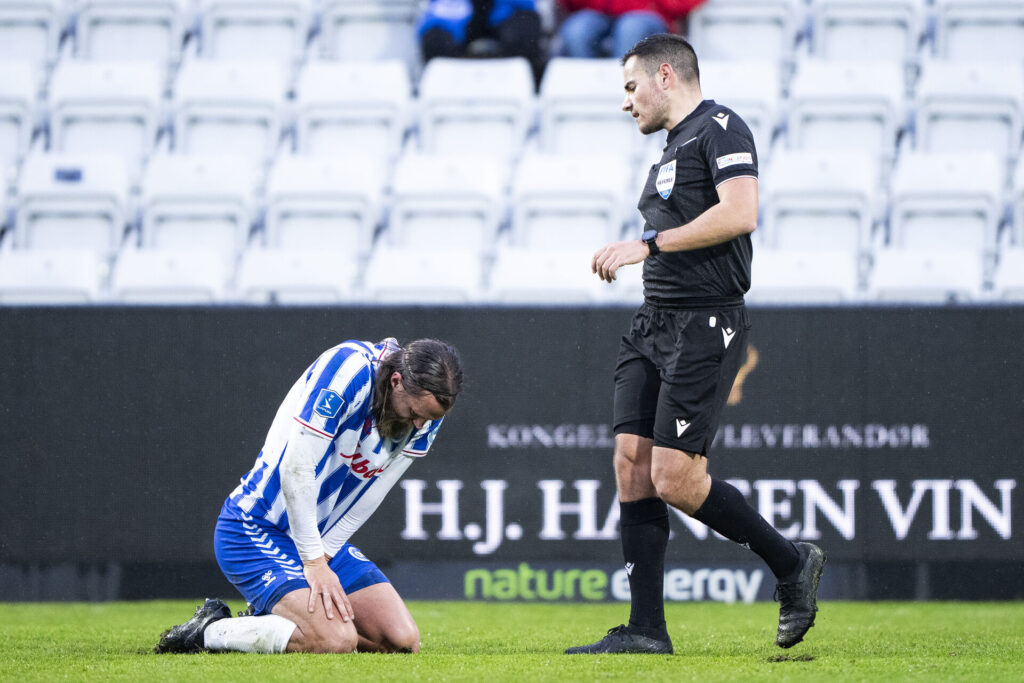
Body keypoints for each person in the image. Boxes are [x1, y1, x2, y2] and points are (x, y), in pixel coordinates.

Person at [565, 34, 825, 655]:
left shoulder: (721, 128)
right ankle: (646, 630)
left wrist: (646, 246)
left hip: (707, 322)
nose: (626, 103)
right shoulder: (671, 146)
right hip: (654, 321)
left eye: (630, 88)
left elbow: (741, 213)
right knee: (630, 464)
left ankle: (791, 563)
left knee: (676, 479)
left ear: (663, 75)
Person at [155, 337, 464, 655]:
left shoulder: (425, 414)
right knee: (334, 641)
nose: (419, 424)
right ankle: (208, 631)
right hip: (256, 527)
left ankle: (273, 621)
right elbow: (296, 468)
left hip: (319, 539)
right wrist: (313, 563)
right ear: (397, 381)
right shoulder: (349, 370)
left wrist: (324, 555)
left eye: (429, 418)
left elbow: (373, 492)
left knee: (401, 641)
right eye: (415, 412)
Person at [418, 0, 546, 83]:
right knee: (436, 42)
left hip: (510, 6)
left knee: (522, 39)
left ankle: (518, 93)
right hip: (457, 6)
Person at [556, 1, 705, 59]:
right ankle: (586, 97)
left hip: (648, 14)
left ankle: (627, 97)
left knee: (630, 29)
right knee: (576, 31)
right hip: (598, 12)